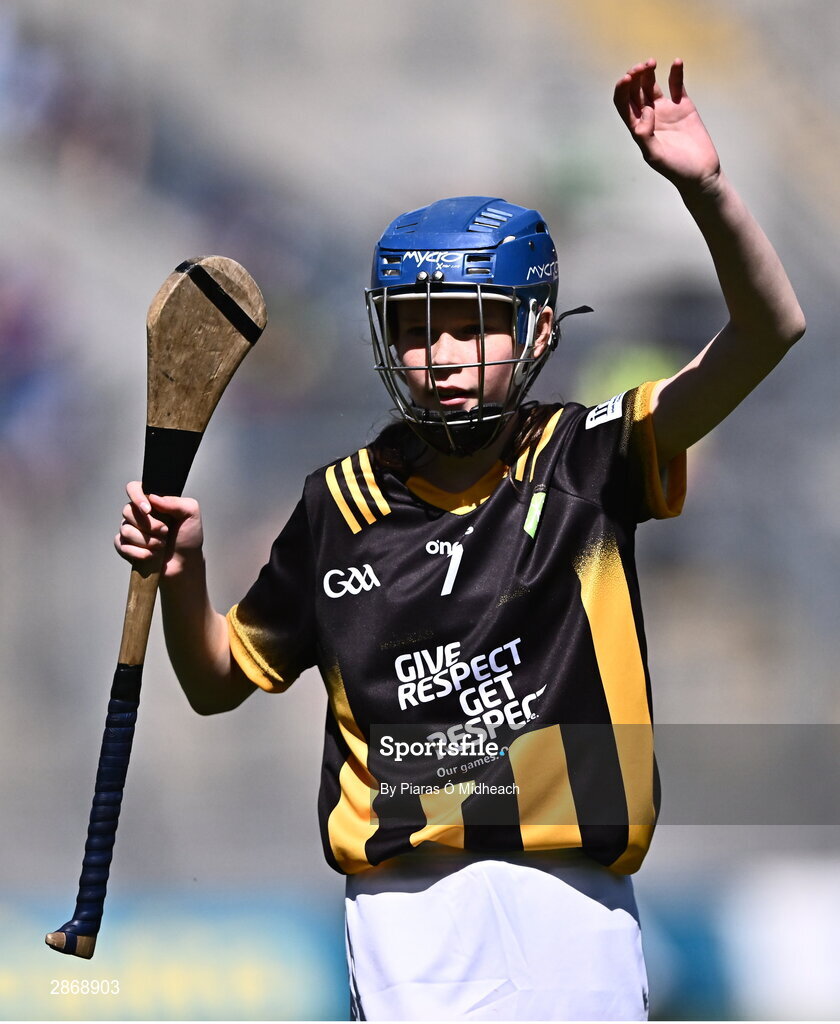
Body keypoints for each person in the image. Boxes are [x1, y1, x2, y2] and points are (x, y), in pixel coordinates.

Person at [115, 59, 804, 1021]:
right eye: (414, 330)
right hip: (408, 920)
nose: (438, 357)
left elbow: (769, 330)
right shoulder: (338, 505)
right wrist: (183, 574)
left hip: (578, 906)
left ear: (537, 330)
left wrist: (706, 188)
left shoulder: (590, 459)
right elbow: (217, 677)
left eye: (470, 327)